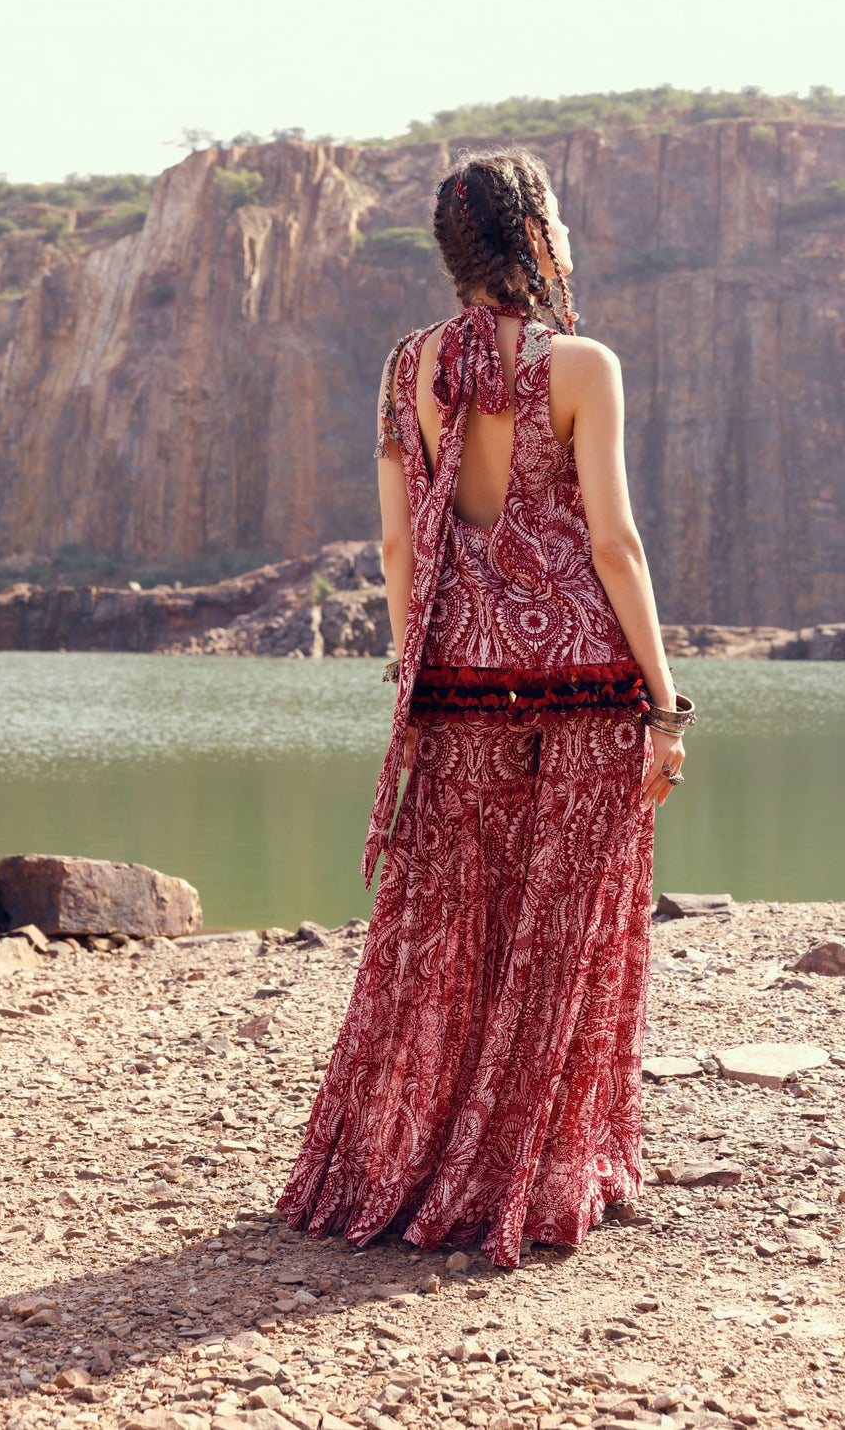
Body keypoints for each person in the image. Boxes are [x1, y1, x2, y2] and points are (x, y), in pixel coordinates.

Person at [277, 145, 695, 1269]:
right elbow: (615, 543)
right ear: (534, 238)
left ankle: (397, 1163)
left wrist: (421, 660)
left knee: (449, 929)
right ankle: (543, 1172)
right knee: (562, 936)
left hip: (455, 685)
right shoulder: (584, 366)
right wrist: (667, 702)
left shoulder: (405, 368)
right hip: (588, 688)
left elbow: (399, 540)